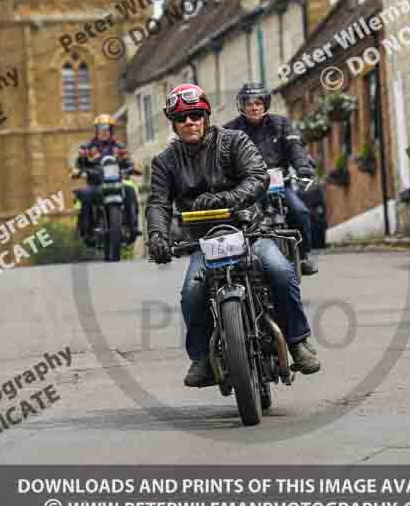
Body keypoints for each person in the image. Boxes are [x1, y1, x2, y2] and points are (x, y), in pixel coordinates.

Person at [146, 83, 321, 387]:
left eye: (195, 115)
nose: (189, 122)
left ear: (205, 117)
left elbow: (257, 176)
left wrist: (225, 199)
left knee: (280, 271)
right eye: (182, 117)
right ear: (173, 123)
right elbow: (158, 203)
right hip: (205, 241)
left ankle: (297, 342)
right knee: (192, 291)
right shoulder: (165, 161)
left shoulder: (234, 141)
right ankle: (201, 358)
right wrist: (157, 235)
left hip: (249, 232)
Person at [223, 83, 318, 275]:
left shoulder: (281, 124)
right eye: (249, 103)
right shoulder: (230, 130)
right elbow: (222, 158)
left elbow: (295, 147)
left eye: (258, 103)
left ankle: (303, 256)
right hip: (250, 189)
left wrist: (302, 167)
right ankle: (240, 260)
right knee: (241, 220)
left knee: (300, 212)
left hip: (281, 185)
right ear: (242, 106)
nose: (254, 107)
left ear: (265, 104)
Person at [71, 114, 140, 245]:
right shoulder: (86, 148)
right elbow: (78, 164)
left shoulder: (119, 147)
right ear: (96, 130)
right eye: (101, 129)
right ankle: (87, 230)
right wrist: (77, 171)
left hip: (117, 184)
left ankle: (132, 227)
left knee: (130, 190)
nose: (104, 132)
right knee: (84, 194)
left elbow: (128, 162)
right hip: (96, 185)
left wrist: (132, 168)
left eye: (107, 129)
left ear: (111, 131)